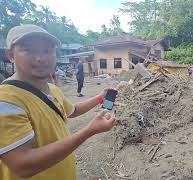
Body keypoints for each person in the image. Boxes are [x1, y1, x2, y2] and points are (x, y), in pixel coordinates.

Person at [0, 24, 117, 180]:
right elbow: (23, 165)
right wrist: (89, 131)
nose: (40, 58)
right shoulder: (6, 100)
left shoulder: (52, 89)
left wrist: (100, 98)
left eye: (47, 51)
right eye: (28, 50)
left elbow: (72, 110)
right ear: (11, 55)